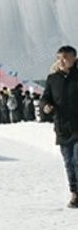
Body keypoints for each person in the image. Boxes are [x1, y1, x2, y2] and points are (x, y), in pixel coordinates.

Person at [40, 45, 78, 208]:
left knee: (77, 160)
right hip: (62, 127)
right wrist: (46, 106)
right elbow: (45, 98)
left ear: (74, 59)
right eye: (59, 57)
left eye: (65, 57)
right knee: (68, 162)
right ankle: (75, 193)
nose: (62, 61)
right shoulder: (52, 79)